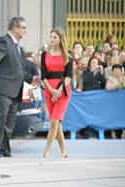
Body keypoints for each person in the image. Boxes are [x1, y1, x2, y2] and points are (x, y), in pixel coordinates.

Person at [0, 16, 27, 158]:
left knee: (9, 122)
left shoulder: (17, 46)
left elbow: (18, 68)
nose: (25, 31)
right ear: (15, 28)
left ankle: (4, 148)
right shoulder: (4, 41)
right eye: (23, 27)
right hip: (0, 89)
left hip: (14, 90)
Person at [41, 28, 72, 158]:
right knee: (56, 122)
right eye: (51, 37)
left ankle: (46, 150)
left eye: (55, 37)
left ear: (60, 39)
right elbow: (44, 76)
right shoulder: (44, 55)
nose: (52, 39)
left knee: (54, 121)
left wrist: (58, 91)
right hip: (49, 90)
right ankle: (64, 150)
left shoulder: (67, 55)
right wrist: (51, 90)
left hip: (63, 92)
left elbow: (68, 77)